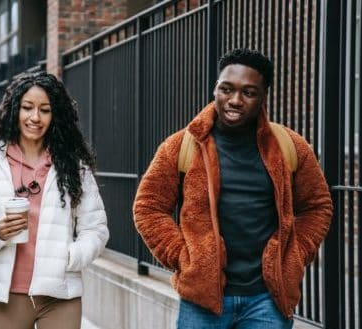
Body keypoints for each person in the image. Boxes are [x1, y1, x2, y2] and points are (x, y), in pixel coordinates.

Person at [133, 48, 332, 328]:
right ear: (216, 88)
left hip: (267, 300)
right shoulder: (183, 145)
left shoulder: (290, 146)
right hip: (202, 300)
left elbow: (317, 206)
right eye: (226, 89)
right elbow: (148, 207)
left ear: (263, 97)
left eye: (248, 93)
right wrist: (183, 257)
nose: (235, 100)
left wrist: (295, 254)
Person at [0, 71, 109, 329]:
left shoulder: (74, 168)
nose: (35, 118)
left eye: (45, 110)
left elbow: (96, 230)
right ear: (14, 111)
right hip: (8, 295)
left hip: (60, 295)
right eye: (27, 108)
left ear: (55, 116)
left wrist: (70, 257)